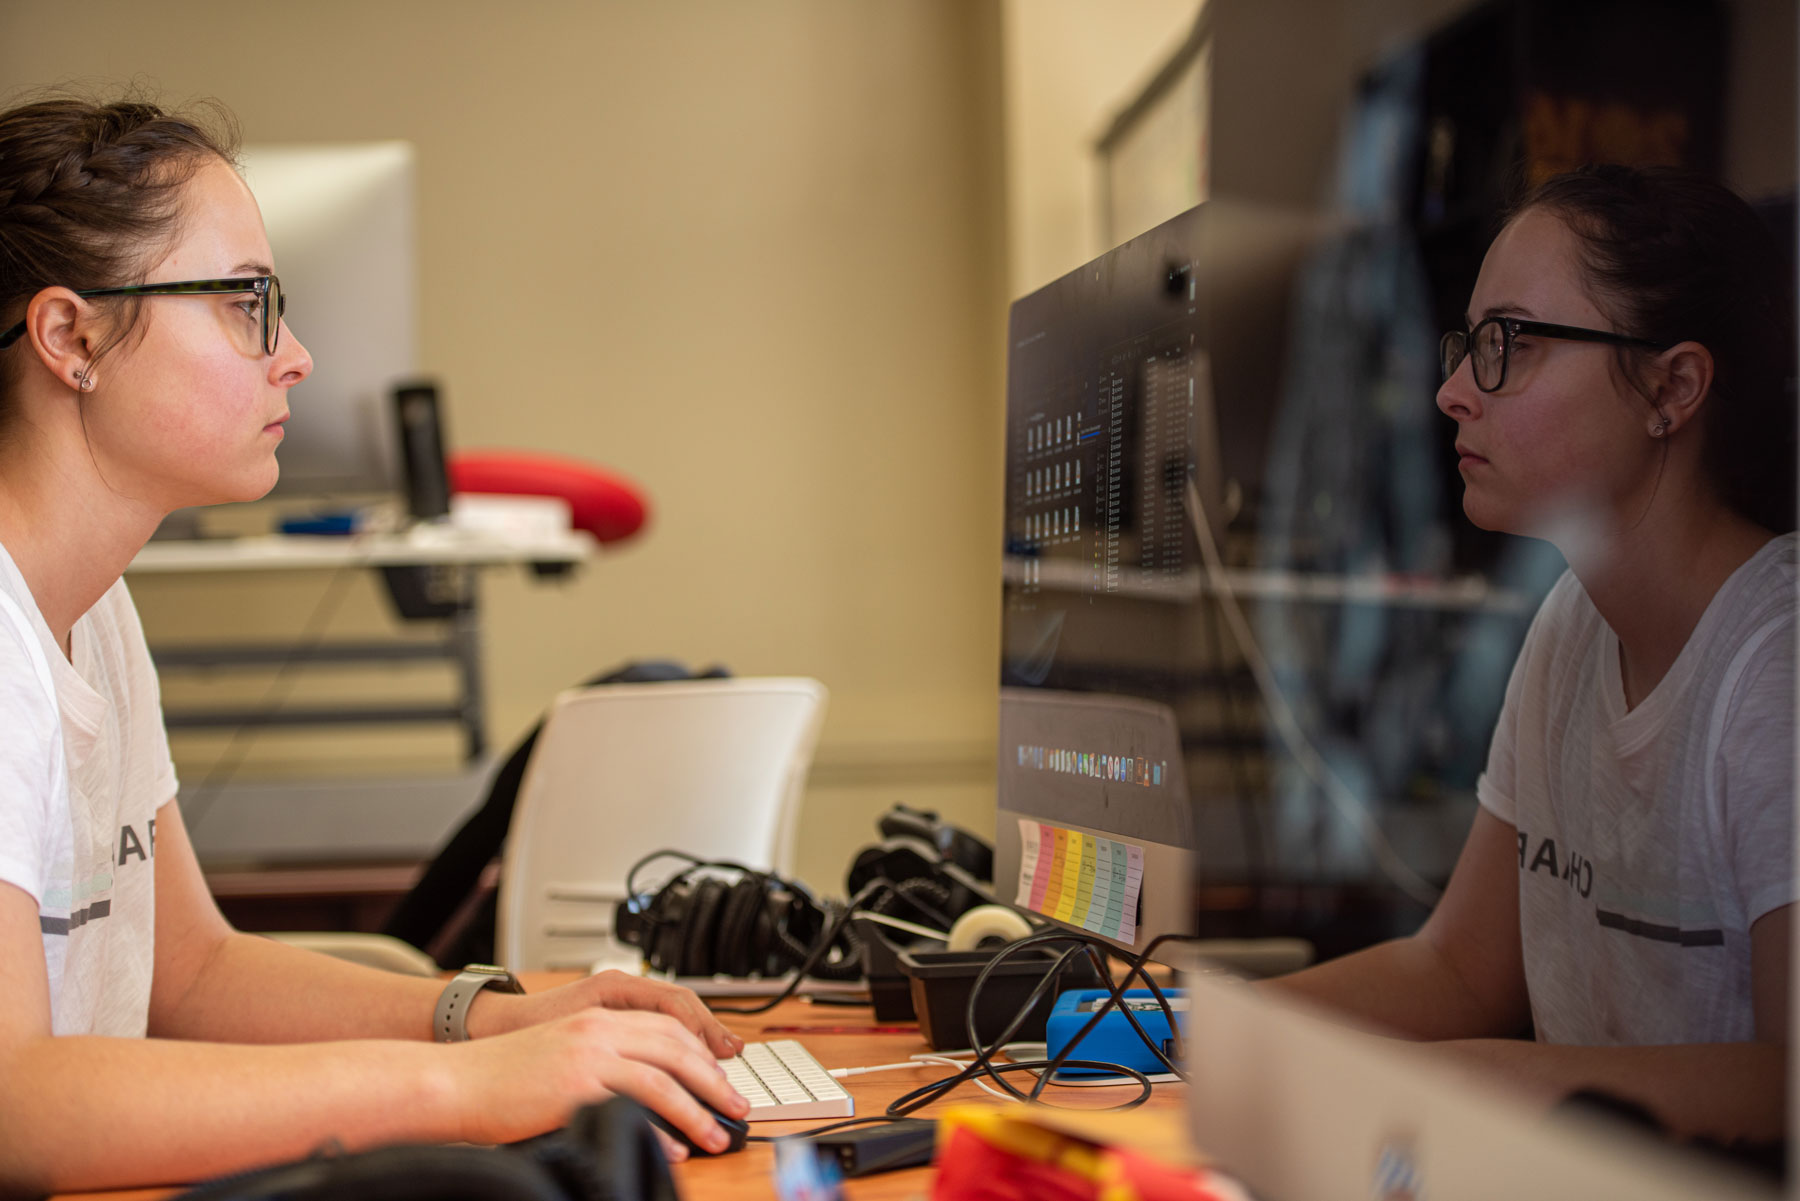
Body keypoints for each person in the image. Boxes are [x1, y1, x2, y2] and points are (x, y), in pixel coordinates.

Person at [0, 96, 748, 1195]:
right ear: (72, 338)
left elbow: (192, 974)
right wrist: (469, 1090)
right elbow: (14, 1104)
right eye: (247, 304)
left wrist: (498, 1023)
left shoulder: (95, 614)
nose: (294, 357)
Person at [1270, 163, 1796, 1146]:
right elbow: (1463, 970)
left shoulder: (1774, 667)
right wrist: (1206, 1030)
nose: (1453, 390)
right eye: (1468, 344)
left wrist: (1484, 1083)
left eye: (1507, 344)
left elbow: (1790, 1083)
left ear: (1672, 387)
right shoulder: (1572, 622)